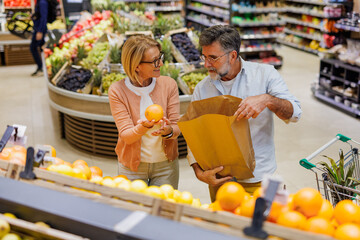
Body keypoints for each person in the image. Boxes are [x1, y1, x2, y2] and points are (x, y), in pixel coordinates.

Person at [187, 25, 302, 202]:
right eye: (204, 57)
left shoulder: (265, 75)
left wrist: (267, 100)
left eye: (213, 58)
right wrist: (199, 172)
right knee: (223, 228)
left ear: (232, 56)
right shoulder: (202, 89)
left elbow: (294, 113)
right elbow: (194, 135)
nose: (206, 64)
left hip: (259, 178)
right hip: (220, 180)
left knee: (261, 226)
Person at [108, 35, 181, 189]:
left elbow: (177, 127)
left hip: (165, 166)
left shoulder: (169, 85)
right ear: (136, 66)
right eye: (154, 60)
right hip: (132, 168)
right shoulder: (117, 91)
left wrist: (168, 131)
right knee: (133, 209)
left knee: (163, 210)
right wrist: (144, 127)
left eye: (160, 57)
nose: (160, 63)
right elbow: (126, 135)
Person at [30, 0, 48, 76]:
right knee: (42, 48)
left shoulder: (42, 2)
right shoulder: (40, 2)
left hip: (40, 29)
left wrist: (40, 31)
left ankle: (40, 67)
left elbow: (44, 17)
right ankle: (44, 67)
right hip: (39, 28)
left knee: (33, 47)